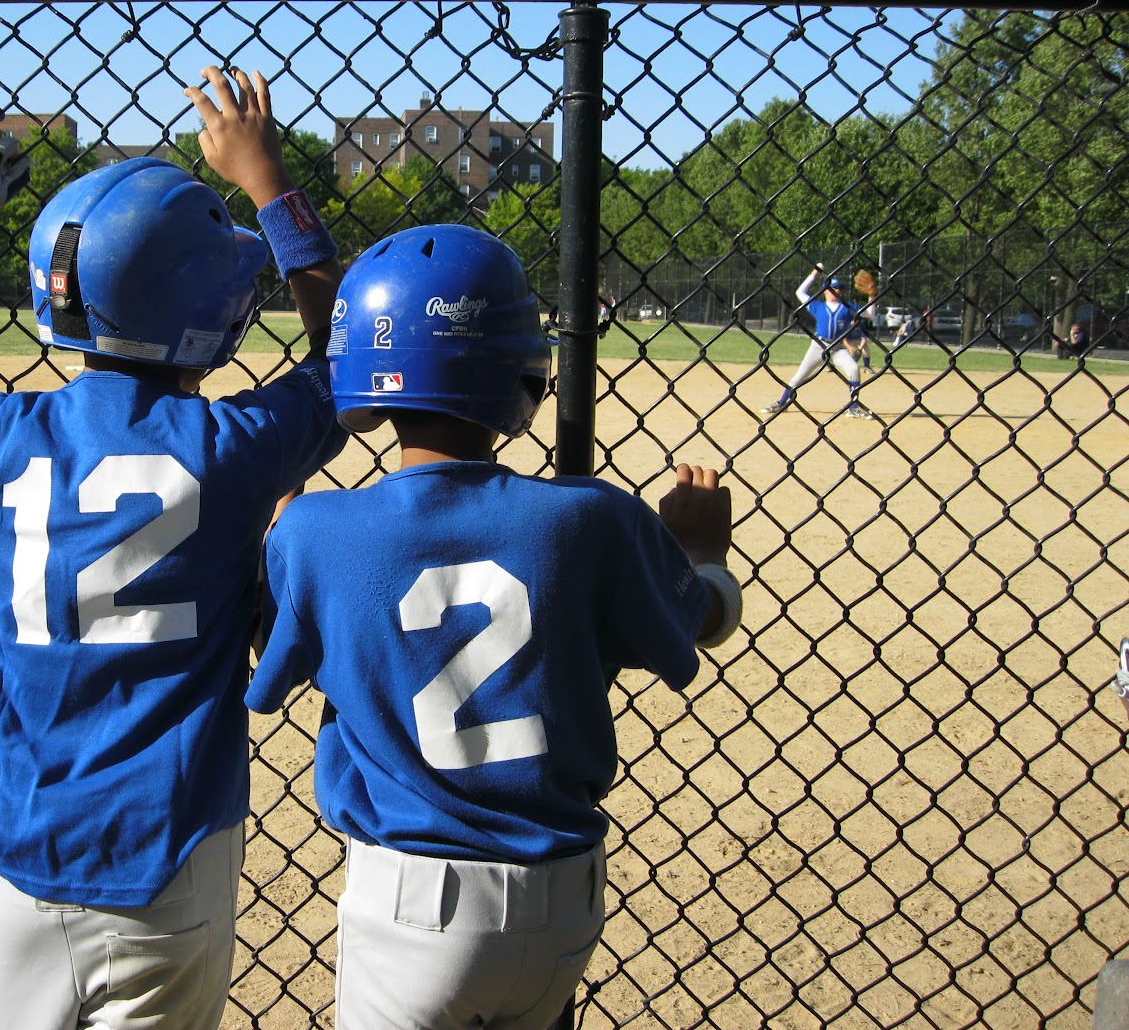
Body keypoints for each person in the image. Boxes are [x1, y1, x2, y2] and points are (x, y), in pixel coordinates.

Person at [0, 67, 346, 1030]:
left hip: (17, 854)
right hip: (168, 854)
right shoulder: (234, 449)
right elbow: (344, 361)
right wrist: (271, 186)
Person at [245, 224, 742, 1030]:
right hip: (562, 904)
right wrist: (702, 550)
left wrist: (275, 538)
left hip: (413, 904)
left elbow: (276, 659)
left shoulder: (317, 532)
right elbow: (702, 621)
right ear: (523, 372)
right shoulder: (592, 520)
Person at [761, 266, 874, 420]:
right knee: (800, 376)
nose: (838, 291)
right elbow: (800, 292)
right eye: (834, 288)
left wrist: (871, 296)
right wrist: (814, 273)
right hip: (818, 347)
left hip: (838, 348)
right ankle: (781, 402)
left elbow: (869, 313)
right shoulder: (817, 306)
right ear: (826, 290)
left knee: (854, 368)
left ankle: (853, 408)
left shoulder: (847, 308)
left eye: (840, 288)